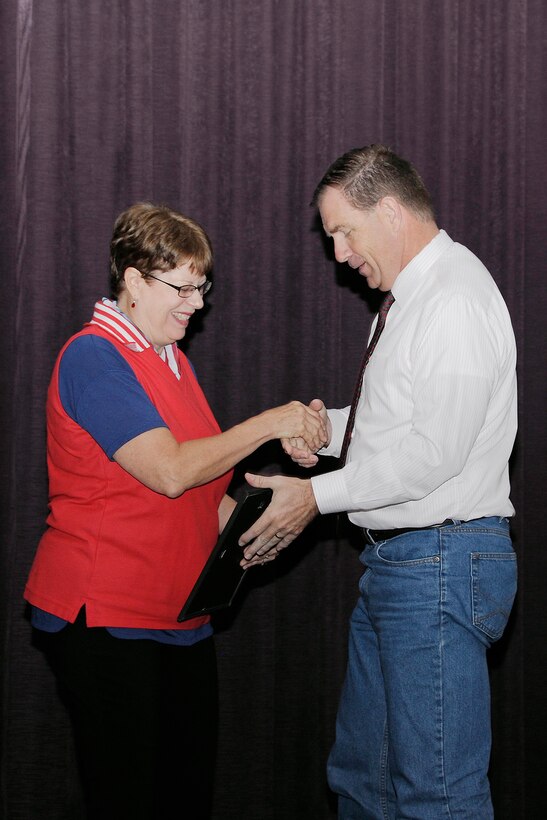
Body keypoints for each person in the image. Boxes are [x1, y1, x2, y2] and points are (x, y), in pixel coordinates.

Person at [239, 145, 518, 819]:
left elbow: (434, 454)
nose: (338, 254)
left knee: (437, 796)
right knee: (363, 779)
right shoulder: (409, 300)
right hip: (404, 565)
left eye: (344, 232)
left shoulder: (451, 298)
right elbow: (396, 426)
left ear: (389, 213)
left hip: (439, 564)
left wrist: (314, 497)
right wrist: (325, 432)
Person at [24, 202, 327, 820]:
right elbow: (167, 472)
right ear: (133, 281)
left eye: (201, 286)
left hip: (177, 616)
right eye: (182, 286)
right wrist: (270, 423)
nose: (197, 302)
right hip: (105, 615)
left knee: (184, 796)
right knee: (131, 798)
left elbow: (204, 494)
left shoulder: (172, 359)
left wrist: (273, 508)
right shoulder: (94, 356)